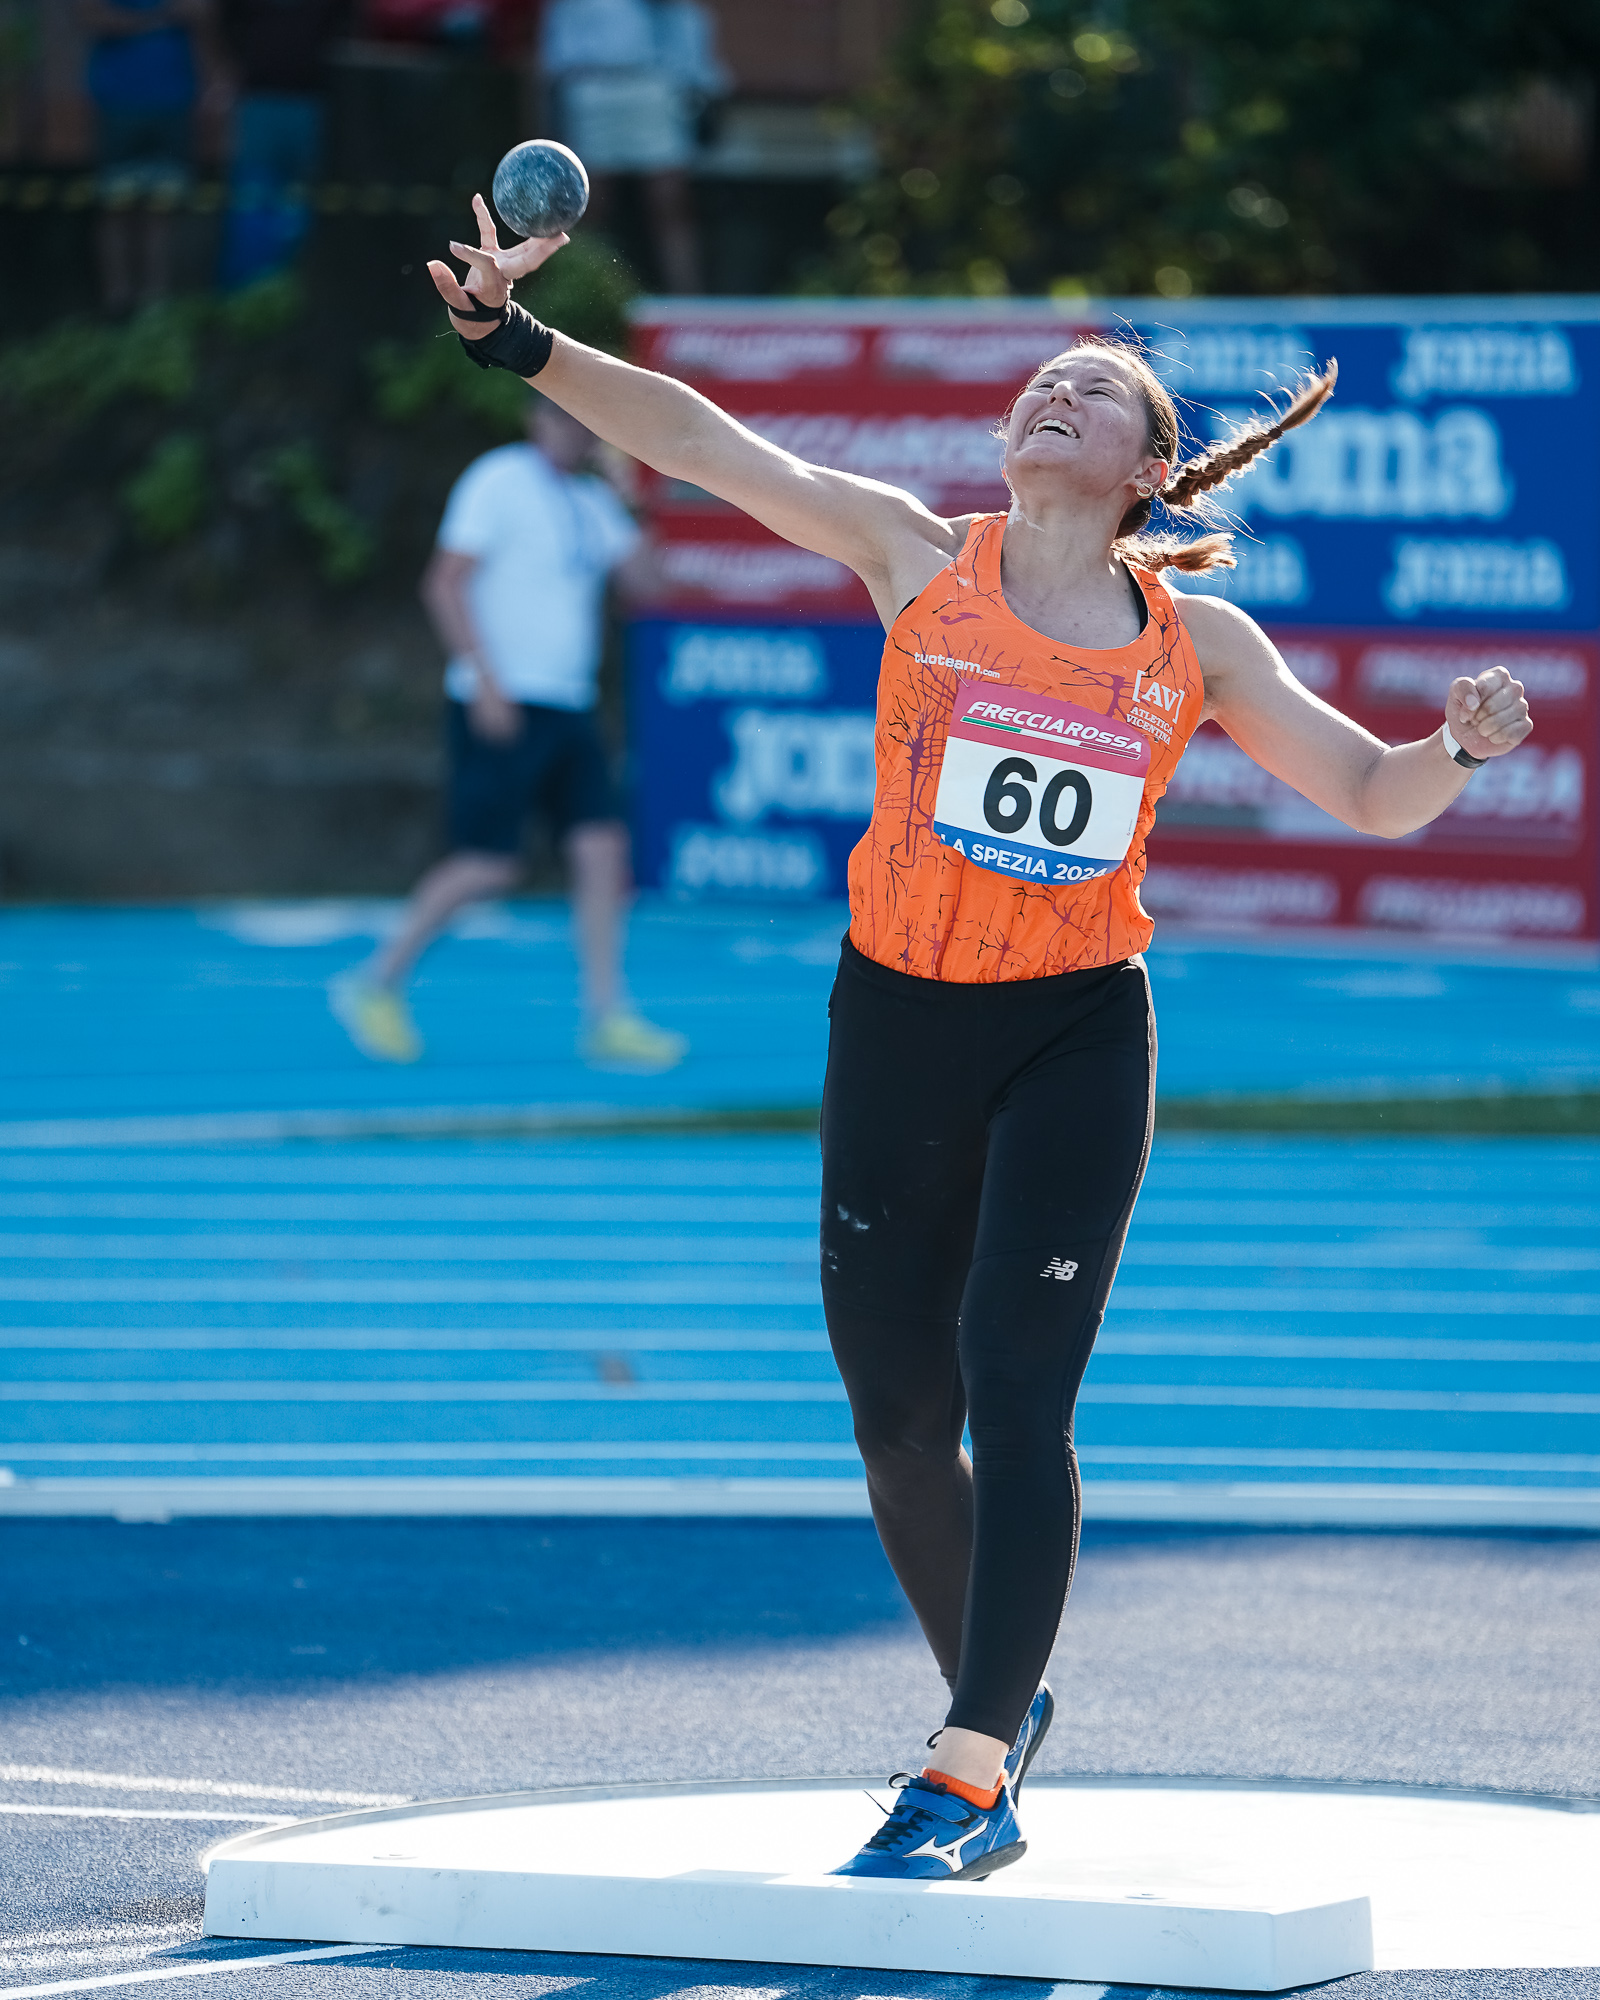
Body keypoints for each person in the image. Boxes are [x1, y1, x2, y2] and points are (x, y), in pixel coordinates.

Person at [428, 199, 1535, 1877]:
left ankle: (960, 1773)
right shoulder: (914, 556)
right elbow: (702, 443)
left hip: (1078, 1030)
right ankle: (1004, 1702)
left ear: (1149, 472)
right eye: (1043, 382)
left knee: (1019, 1390)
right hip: (898, 1020)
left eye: (1094, 394)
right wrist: (520, 341)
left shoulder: (1198, 645)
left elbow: (1375, 795)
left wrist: (1454, 748)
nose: (1052, 397)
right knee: (896, 1415)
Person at [330, 389, 688, 1073]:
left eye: (587, 422)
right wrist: (484, 680)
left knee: (602, 852)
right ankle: (377, 982)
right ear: (536, 421)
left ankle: (607, 1014)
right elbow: (444, 583)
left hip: (569, 703)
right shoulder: (498, 479)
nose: (576, 433)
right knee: (488, 863)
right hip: (503, 699)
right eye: (564, 419)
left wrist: (633, 503)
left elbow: (649, 585)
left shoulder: (593, 502)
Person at [537, 0, 728, 292]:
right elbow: (555, 53)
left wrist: (703, 86)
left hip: (655, 85)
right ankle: (576, 293)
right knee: (587, 203)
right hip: (592, 86)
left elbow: (687, 24)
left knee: (669, 201)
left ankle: (686, 298)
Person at [81, 0, 222, 311]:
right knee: (115, 206)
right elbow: (93, 17)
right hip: (118, 104)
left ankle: (155, 301)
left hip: (173, 102)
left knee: (161, 209)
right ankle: (117, 300)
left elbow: (202, 14)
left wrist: (211, 83)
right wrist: (159, 18)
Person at [216, 0, 348, 288]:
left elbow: (346, 28)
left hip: (312, 102)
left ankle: (294, 288)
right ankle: (243, 290)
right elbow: (224, 25)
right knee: (252, 199)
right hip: (257, 100)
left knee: (301, 203)